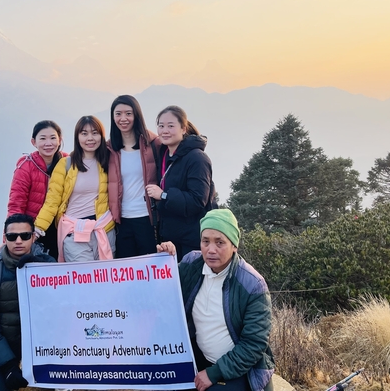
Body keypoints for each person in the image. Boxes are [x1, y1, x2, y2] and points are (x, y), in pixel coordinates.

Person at [157, 209, 274, 391]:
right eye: (206, 241)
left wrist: (214, 373)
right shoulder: (190, 264)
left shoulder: (253, 285)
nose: (211, 250)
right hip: (199, 359)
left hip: (239, 369)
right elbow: (162, 292)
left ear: (234, 245)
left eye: (220, 242)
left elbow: (254, 344)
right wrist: (164, 259)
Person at [0, 214, 56, 391]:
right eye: (12, 236)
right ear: (4, 238)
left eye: (25, 236)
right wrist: (8, 366)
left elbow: (60, 312)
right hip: (5, 344)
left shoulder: (50, 266)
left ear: (33, 237)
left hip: (42, 349)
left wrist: (37, 270)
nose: (18, 241)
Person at [35, 115, 115, 262]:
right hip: (74, 233)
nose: (90, 138)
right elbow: (52, 201)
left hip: (104, 230)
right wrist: (37, 229)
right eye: (84, 133)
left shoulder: (108, 161)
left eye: (95, 133)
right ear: (77, 137)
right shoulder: (66, 164)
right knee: (83, 280)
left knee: (106, 279)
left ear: (102, 136)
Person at [146, 105, 215, 261]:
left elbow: (198, 200)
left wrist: (163, 195)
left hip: (191, 240)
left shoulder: (197, 158)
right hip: (170, 239)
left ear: (184, 129)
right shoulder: (164, 154)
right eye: (161, 126)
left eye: (171, 126)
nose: (165, 130)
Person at [107, 95, 161, 258]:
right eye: (118, 114)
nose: (123, 118)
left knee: (150, 269)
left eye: (128, 113)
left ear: (136, 115)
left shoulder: (153, 144)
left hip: (147, 219)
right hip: (121, 220)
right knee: (127, 272)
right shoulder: (109, 149)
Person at [7, 120, 67, 259]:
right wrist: (10, 238)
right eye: (43, 138)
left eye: (53, 138)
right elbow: (16, 204)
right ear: (33, 142)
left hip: (62, 228)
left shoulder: (67, 161)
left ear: (60, 140)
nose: (48, 143)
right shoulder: (26, 166)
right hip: (35, 230)